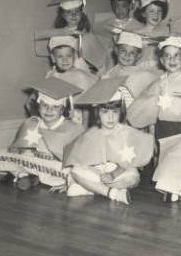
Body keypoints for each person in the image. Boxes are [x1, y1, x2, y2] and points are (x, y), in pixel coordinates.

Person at [63, 77, 154, 205]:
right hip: (97, 171)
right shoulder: (92, 132)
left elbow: (130, 161)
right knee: (76, 171)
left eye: (115, 112)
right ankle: (112, 193)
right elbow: (81, 159)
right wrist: (96, 171)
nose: (110, 117)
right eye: (105, 112)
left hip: (118, 170)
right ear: (97, 113)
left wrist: (113, 174)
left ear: (120, 112)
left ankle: (92, 188)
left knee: (133, 177)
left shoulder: (126, 132)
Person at [0, 78, 85, 191]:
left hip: (56, 164)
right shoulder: (33, 122)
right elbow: (19, 146)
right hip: (35, 159)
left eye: (55, 107)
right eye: (45, 105)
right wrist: (19, 149)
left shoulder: (72, 128)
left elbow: (79, 158)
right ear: (38, 107)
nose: (49, 110)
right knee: (1, 153)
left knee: (71, 171)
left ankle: (27, 175)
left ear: (62, 110)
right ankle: (25, 176)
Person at [127, 36, 181, 164]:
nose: (172, 59)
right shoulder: (157, 84)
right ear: (162, 60)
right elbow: (151, 114)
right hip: (162, 130)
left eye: (176, 55)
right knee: (165, 168)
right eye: (167, 56)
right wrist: (152, 138)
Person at [44, 0, 106, 73]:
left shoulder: (87, 35)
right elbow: (56, 59)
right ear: (62, 15)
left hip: (84, 73)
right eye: (69, 12)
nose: (73, 15)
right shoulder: (57, 36)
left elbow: (99, 60)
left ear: (82, 13)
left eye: (77, 11)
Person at [44, 35, 98, 125]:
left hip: (77, 119)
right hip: (56, 118)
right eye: (60, 56)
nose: (65, 60)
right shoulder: (51, 75)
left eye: (68, 56)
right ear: (53, 58)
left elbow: (87, 106)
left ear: (75, 56)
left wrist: (84, 127)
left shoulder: (81, 76)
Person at [94, 0, 143, 70]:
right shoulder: (105, 24)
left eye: (124, 6)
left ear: (131, 5)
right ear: (112, 7)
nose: (119, 10)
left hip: (130, 65)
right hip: (109, 64)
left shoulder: (138, 27)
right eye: (116, 6)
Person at [103, 32, 159, 106]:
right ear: (116, 50)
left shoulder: (144, 75)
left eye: (132, 53)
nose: (127, 55)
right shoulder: (109, 74)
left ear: (139, 55)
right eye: (123, 51)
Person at [133, 0, 171, 72]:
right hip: (140, 71)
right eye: (151, 11)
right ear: (143, 14)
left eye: (159, 11)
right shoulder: (135, 34)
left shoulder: (167, 32)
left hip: (160, 71)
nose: (156, 15)